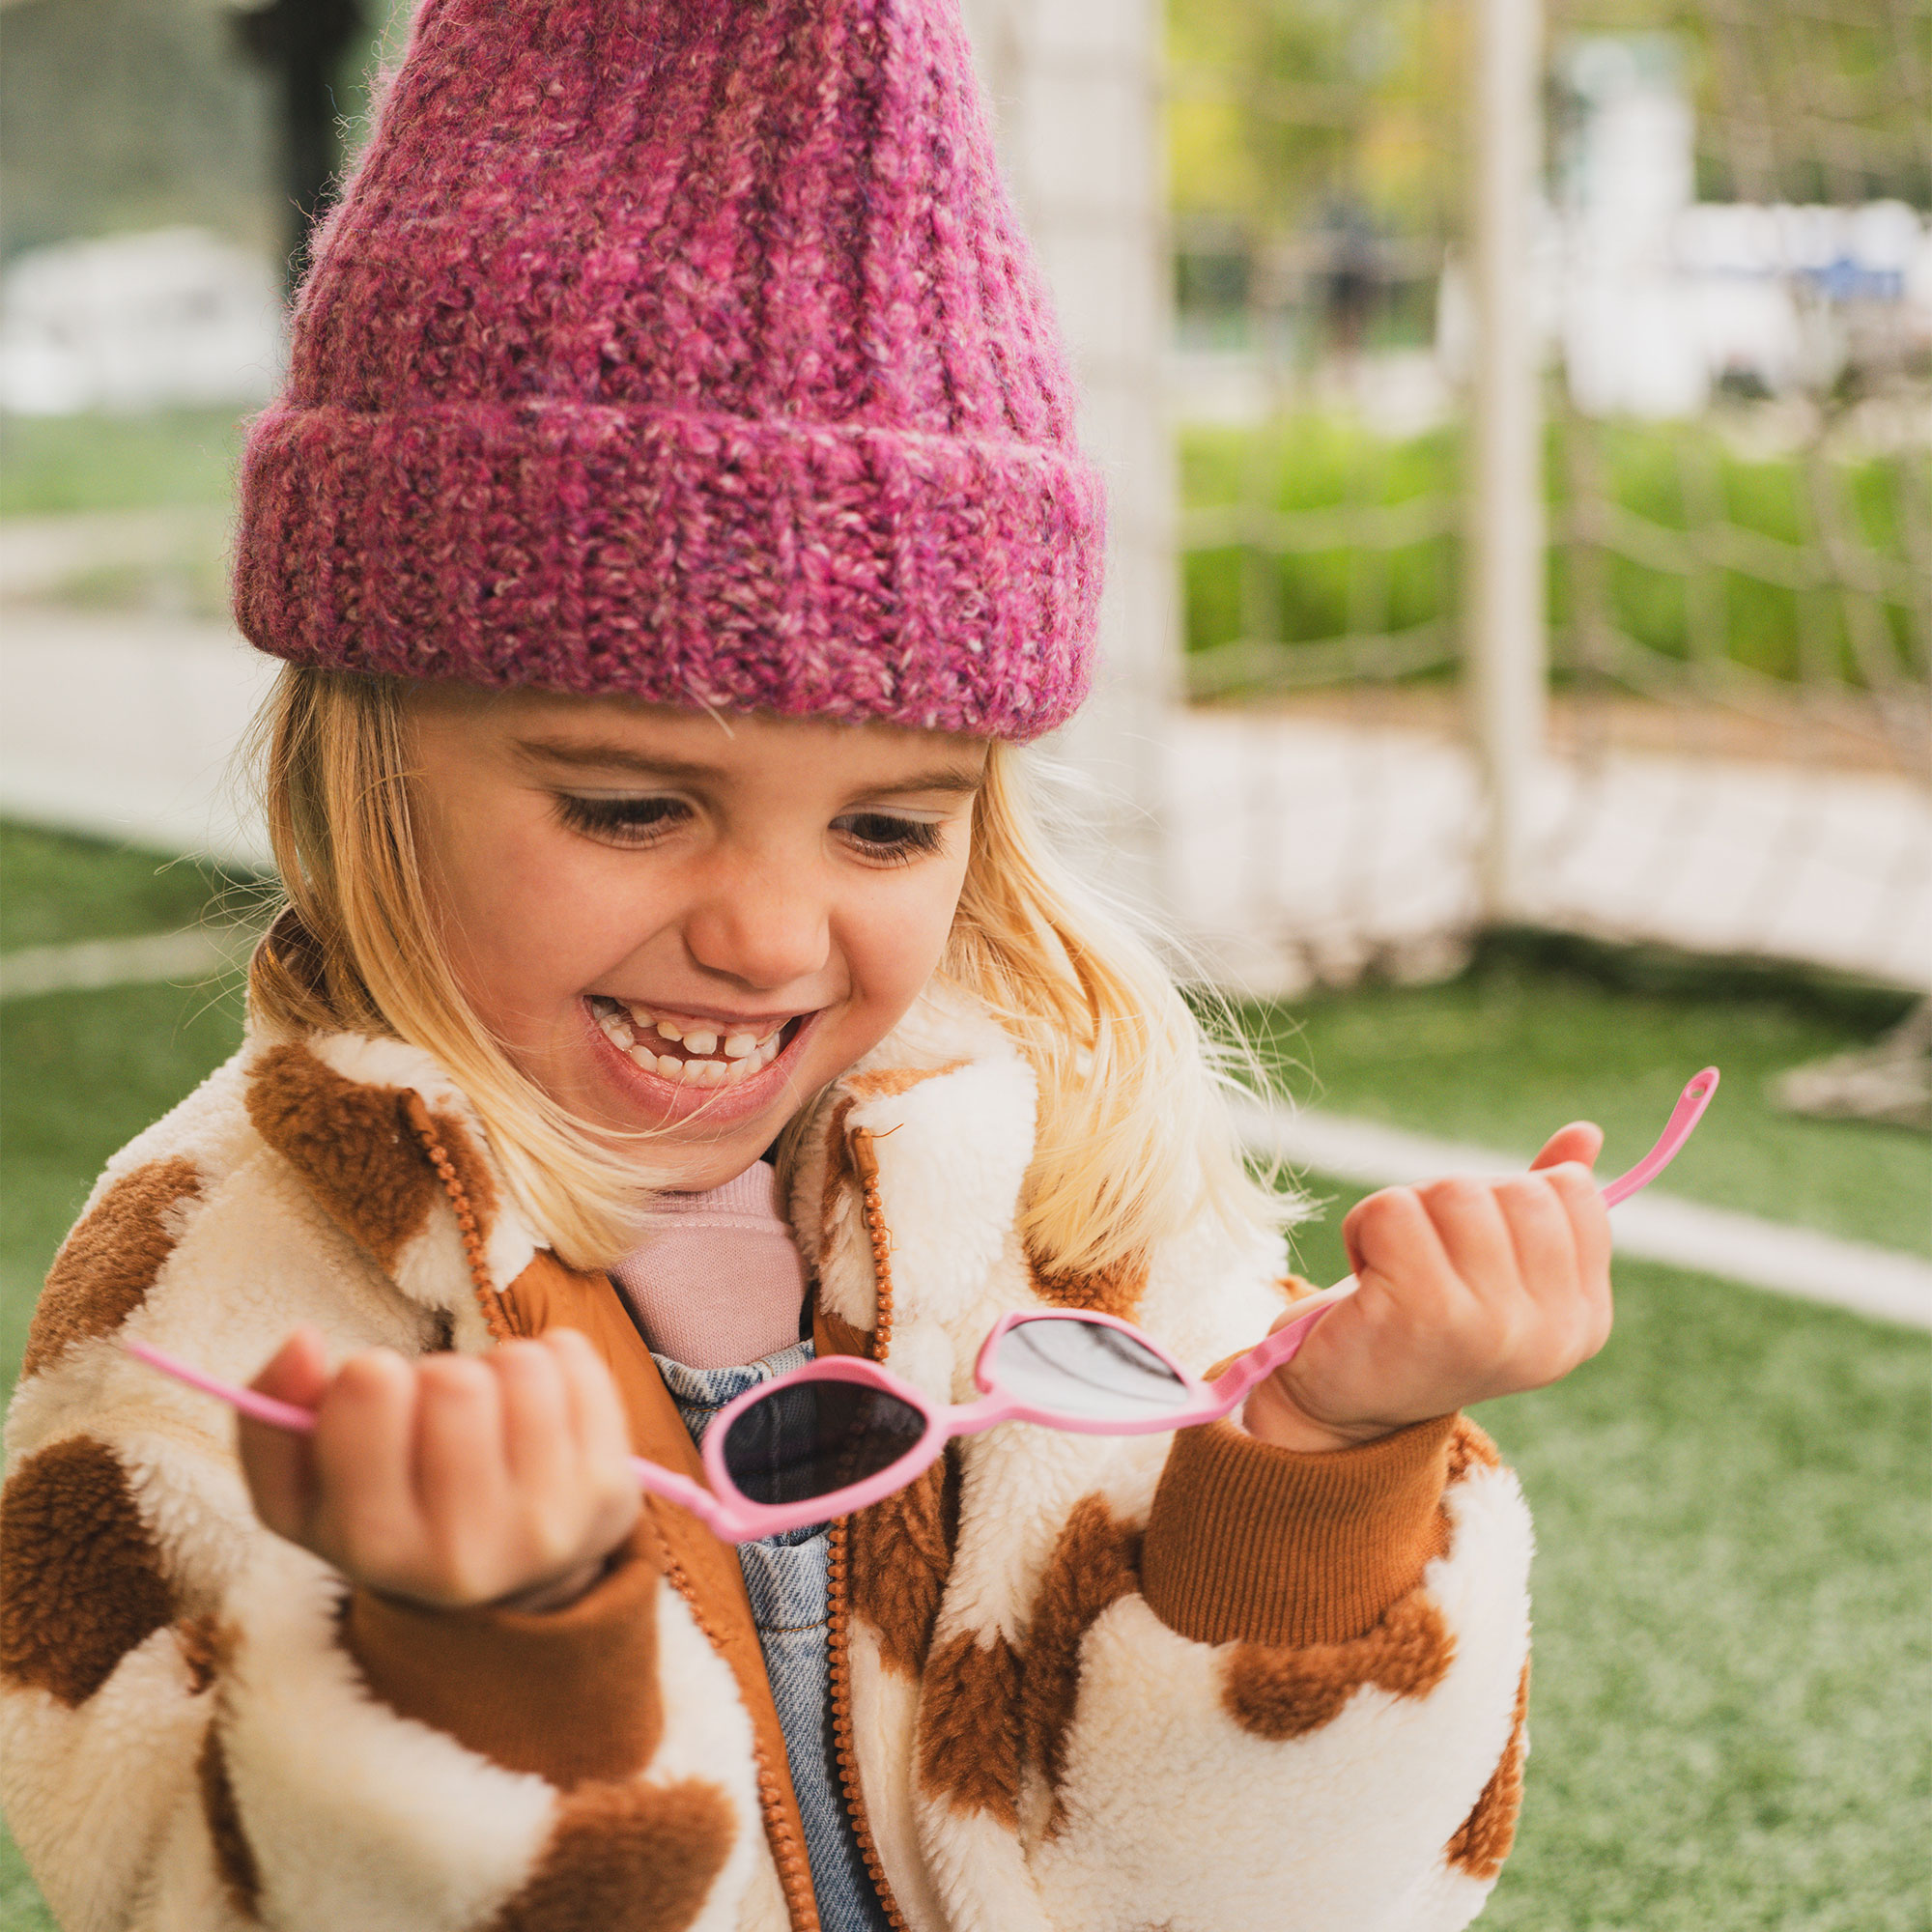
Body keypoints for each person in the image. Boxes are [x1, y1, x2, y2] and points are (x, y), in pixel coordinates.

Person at [0, 1, 1610, 1926]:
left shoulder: (1065, 1203)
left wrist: (1324, 1462)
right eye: (629, 807)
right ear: (359, 764)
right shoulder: (219, 1291)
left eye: (886, 829)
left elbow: (1243, 1894)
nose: (768, 937)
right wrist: (480, 1664)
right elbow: (167, 1872)